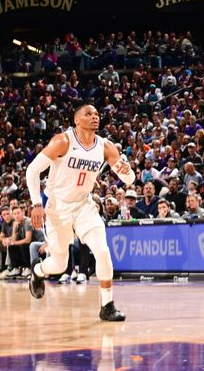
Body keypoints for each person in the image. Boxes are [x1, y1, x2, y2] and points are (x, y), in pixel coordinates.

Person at [25, 104, 135, 321]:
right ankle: (37, 271)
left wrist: (127, 171)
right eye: (88, 114)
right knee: (59, 264)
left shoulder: (106, 146)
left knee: (102, 251)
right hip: (56, 206)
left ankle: (107, 306)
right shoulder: (62, 141)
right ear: (77, 120)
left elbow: (128, 179)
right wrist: (36, 204)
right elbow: (32, 170)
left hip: (84, 205)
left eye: (97, 113)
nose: (95, 116)